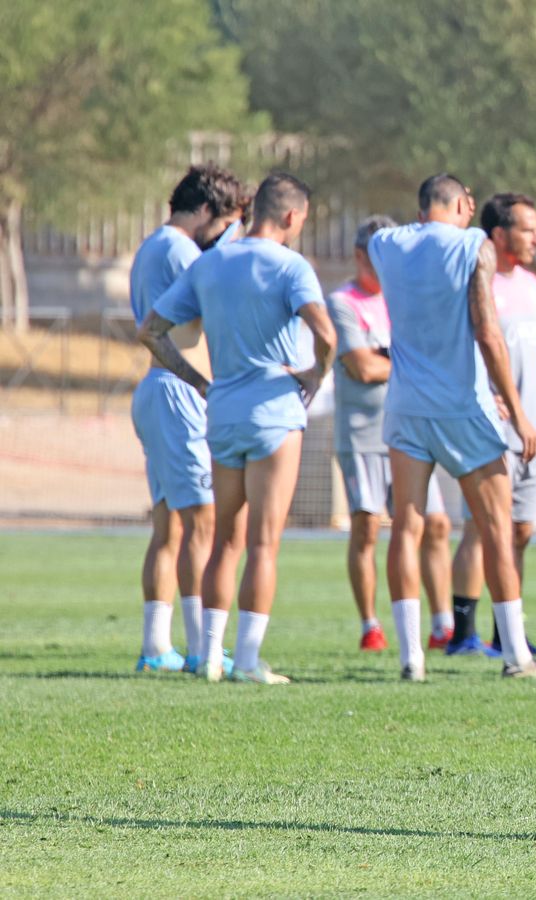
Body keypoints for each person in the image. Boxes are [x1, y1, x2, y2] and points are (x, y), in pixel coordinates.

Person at [139, 172, 336, 685]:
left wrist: (196, 379)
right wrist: (315, 373)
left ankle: (207, 657)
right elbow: (327, 334)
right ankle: (247, 661)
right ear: (292, 217)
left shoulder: (210, 265)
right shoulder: (293, 266)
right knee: (264, 544)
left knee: (224, 538)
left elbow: (151, 330)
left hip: (221, 411)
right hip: (273, 414)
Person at [366, 174, 536, 683]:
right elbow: (487, 330)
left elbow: (373, 247)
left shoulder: (386, 243)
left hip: (405, 406)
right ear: (465, 204)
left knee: (406, 526)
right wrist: (517, 407)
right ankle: (516, 656)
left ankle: (410, 659)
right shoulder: (474, 244)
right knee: (496, 529)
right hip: (463, 407)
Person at [128, 164, 247, 674]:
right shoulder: (179, 250)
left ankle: (157, 645)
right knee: (202, 520)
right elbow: (211, 305)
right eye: (222, 224)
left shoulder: (150, 246)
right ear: (203, 212)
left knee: (169, 525)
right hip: (179, 390)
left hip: (156, 390)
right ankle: (203, 646)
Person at [326, 215, 456, 653]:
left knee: (434, 524)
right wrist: (412, 365)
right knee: (367, 527)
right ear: (361, 255)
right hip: (363, 433)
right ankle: (371, 625)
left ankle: (443, 626)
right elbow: (361, 367)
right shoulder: (343, 301)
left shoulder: (406, 297)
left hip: (410, 427)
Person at [447, 193, 536, 659]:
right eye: (529, 230)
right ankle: (462, 634)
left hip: (531, 425)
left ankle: (505, 630)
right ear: (500, 235)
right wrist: (488, 394)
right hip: (492, 425)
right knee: (482, 528)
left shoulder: (532, 284)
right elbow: (469, 346)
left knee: (521, 531)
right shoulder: (479, 283)